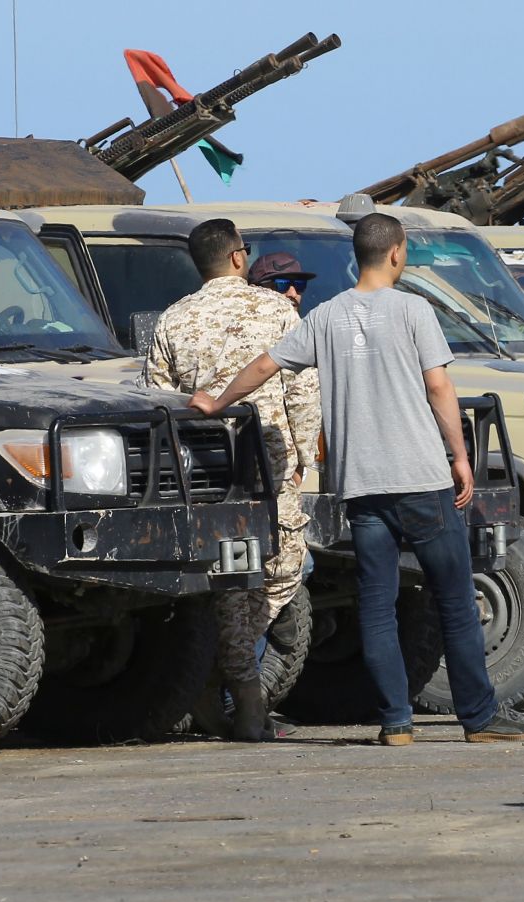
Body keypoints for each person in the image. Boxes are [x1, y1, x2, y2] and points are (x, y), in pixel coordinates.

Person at [192, 212, 524, 745]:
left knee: (377, 606)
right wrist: (460, 455)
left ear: (357, 255)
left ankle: (396, 722)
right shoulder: (413, 310)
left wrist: (217, 402)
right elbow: (439, 388)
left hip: (360, 485)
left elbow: (265, 365)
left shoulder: (326, 316)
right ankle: (480, 717)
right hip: (420, 477)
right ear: (397, 253)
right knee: (454, 596)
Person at [143, 219, 318, 741]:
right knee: (281, 569)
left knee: (228, 578)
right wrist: (307, 451)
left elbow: (157, 398)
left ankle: (230, 688)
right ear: (239, 258)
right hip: (272, 465)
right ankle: (238, 689)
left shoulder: (173, 319)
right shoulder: (278, 310)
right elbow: (303, 389)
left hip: (205, 473)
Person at [249, 251, 315, 310]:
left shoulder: (315, 320)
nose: (293, 294)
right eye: (282, 284)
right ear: (257, 291)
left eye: (300, 285)